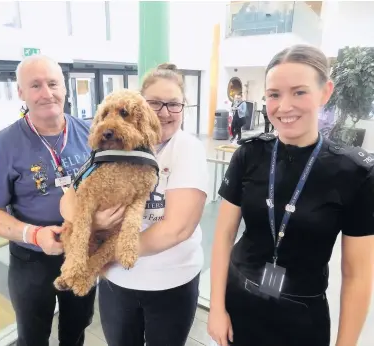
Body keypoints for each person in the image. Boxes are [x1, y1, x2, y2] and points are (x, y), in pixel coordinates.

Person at [207, 44, 374, 346]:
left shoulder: (355, 173)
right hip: (239, 306)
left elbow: (357, 274)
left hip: (301, 319)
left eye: (299, 92)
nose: (284, 106)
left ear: (325, 92)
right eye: (274, 94)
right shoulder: (249, 155)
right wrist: (216, 308)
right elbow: (223, 237)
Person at [60, 63, 209, 346]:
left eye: (174, 105)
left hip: (170, 281)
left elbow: (178, 229)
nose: (164, 113)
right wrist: (90, 223)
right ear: (140, 106)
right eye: (155, 103)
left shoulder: (187, 148)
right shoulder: (108, 147)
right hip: (117, 284)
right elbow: (70, 200)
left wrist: (100, 258)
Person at [0, 55, 101, 346]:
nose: (46, 93)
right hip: (31, 260)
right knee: (32, 336)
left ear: (65, 87)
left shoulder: (90, 134)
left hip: (82, 252)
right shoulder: (4, 144)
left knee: (77, 328)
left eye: (53, 83)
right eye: (35, 85)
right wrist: (34, 234)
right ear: (20, 93)